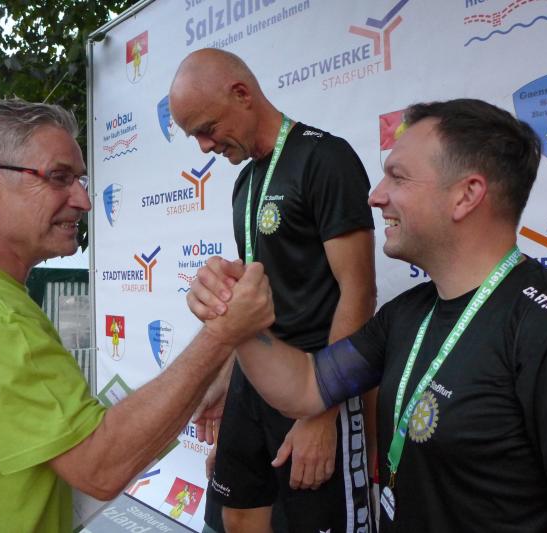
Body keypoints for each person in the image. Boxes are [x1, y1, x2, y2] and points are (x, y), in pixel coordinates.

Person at [190, 99, 547, 531]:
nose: (375, 196)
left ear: (466, 195)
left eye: (398, 177)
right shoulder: (408, 314)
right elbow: (306, 387)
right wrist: (238, 321)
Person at [0, 100, 273, 532]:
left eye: (81, 179)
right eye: (59, 178)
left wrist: (195, 388)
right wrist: (221, 334)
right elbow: (99, 467)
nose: (84, 200)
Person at [169, 48, 378, 533]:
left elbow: (359, 293)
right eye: (195, 136)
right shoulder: (245, 183)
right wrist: (225, 383)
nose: (204, 147)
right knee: (237, 517)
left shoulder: (325, 158)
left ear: (242, 94)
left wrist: (321, 413)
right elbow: (255, 306)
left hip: (317, 382)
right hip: (254, 384)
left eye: (206, 129)